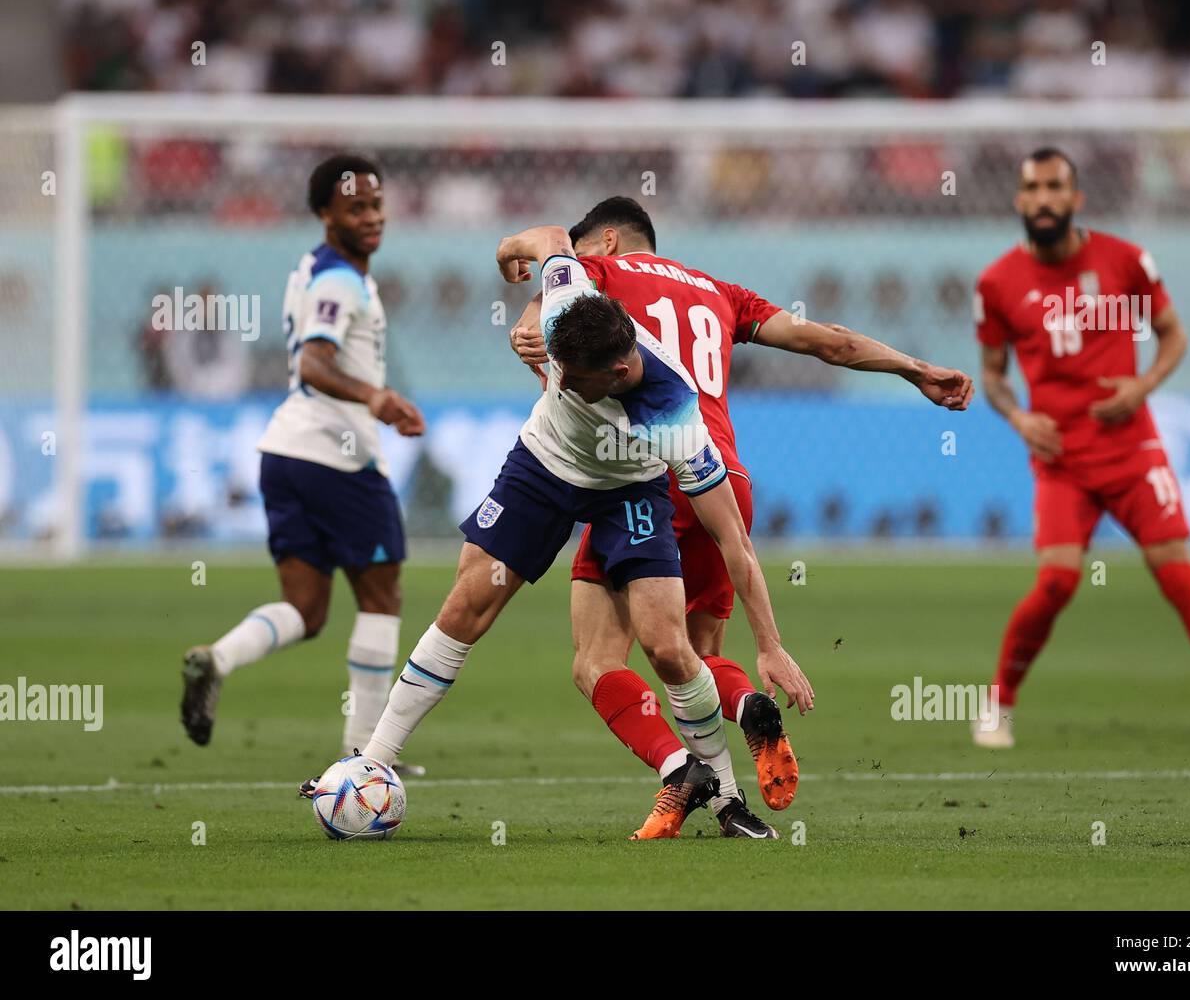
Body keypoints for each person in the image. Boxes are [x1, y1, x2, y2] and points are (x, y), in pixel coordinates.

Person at [307, 225, 811, 840]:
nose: (562, 383)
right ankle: (375, 758)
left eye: (576, 377)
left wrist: (768, 643)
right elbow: (547, 236)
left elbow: (735, 541)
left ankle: (728, 801)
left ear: (622, 368)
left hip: (632, 487)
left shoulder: (675, 417)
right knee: (468, 605)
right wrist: (505, 258)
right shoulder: (568, 301)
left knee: (668, 647)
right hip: (543, 468)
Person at [509, 197, 973, 834]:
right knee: (695, 658)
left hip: (645, 478)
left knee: (598, 662)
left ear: (608, 244)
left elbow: (554, 287)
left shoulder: (601, 278)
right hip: (726, 482)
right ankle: (740, 765)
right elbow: (827, 343)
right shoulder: (720, 293)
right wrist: (916, 368)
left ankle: (685, 778)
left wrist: (529, 318)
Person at [973, 146, 1190, 749]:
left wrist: (1144, 384)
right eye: (1032, 187)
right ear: (1019, 199)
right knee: (1057, 583)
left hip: (1132, 450)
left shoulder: (1126, 262)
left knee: (1179, 577)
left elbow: (1174, 337)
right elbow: (992, 373)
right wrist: (1018, 418)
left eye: (1055, 186)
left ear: (1076, 197)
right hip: (1061, 458)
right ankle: (998, 705)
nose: (1043, 198)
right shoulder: (998, 282)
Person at [181, 155, 430, 775]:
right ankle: (364, 759)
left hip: (284, 454)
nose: (372, 218)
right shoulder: (339, 279)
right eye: (356, 208)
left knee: (307, 608)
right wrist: (375, 397)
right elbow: (316, 362)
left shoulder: (312, 270)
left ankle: (218, 658)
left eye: (376, 205)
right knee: (381, 596)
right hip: (334, 456)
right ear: (326, 214)